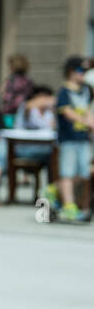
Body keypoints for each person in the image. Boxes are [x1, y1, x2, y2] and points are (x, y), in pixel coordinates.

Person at [49, 56, 93, 223]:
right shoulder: (64, 92)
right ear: (71, 72)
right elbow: (67, 113)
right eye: (81, 71)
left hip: (83, 138)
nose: (83, 75)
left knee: (83, 173)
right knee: (67, 173)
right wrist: (84, 121)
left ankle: (53, 189)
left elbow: (88, 111)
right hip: (68, 138)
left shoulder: (86, 91)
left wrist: (91, 122)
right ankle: (68, 207)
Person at [0, 54, 33, 119]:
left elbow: (6, 97)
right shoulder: (28, 80)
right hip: (23, 113)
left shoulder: (12, 80)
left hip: (10, 113)